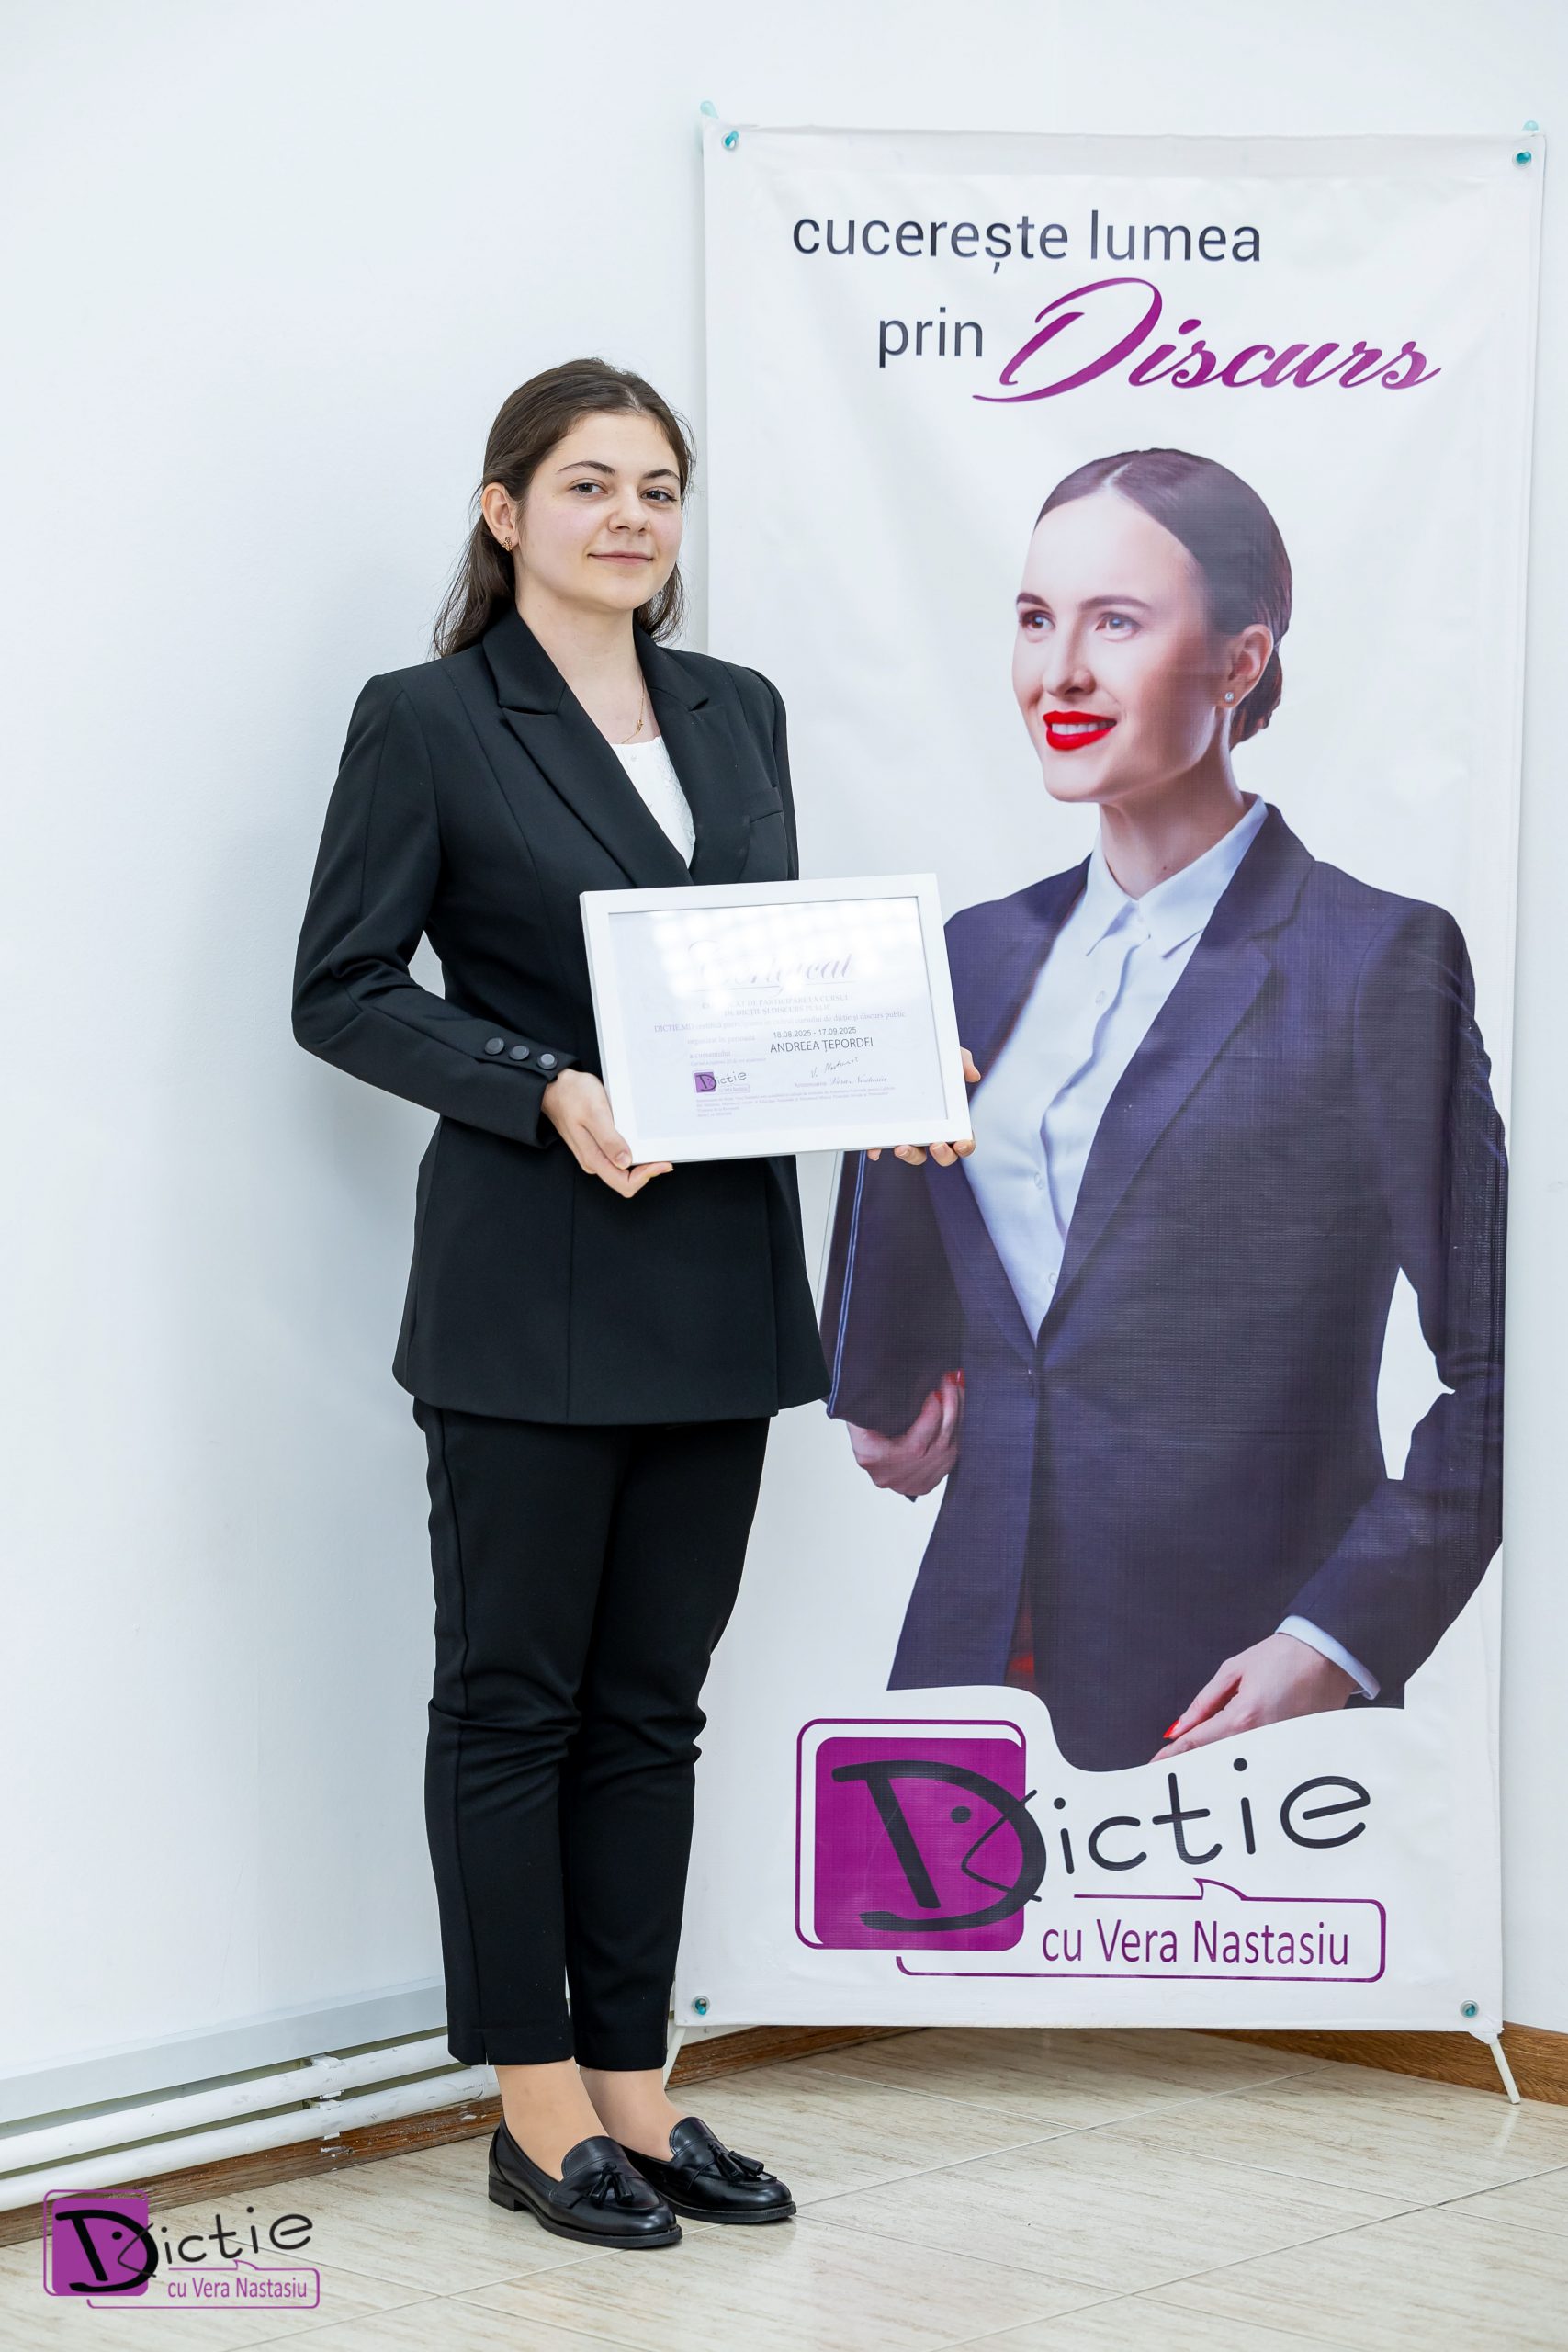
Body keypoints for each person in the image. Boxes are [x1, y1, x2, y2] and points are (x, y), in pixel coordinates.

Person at [292, 359, 969, 2249]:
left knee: (653, 1709)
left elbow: (762, 979)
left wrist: (893, 1068)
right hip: (531, 1276)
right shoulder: (428, 717)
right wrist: (539, 1085)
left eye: (658, 486)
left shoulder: (737, 708)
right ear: (504, 510)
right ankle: (530, 2107)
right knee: (514, 1701)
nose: (629, 517)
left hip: (718, 1273)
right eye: (588, 482)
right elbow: (343, 986)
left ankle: (634, 2092)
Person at [819, 447, 1507, 1775]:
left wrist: (1338, 1639)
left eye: (1118, 622)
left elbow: (1515, 1370)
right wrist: (889, 1402)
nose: (1061, 672)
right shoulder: (966, 957)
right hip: (973, 1647)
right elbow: (912, 1321)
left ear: (1242, 662)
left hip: (1242, 1669)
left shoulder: (1372, 961)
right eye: (1037, 620)